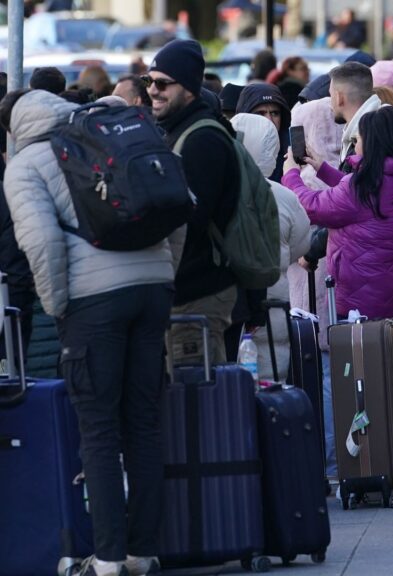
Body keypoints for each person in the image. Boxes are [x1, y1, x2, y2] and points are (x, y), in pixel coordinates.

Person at [2, 87, 184, 576]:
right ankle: (142, 553)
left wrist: (59, 306)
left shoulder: (25, 165)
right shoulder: (110, 134)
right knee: (143, 423)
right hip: (153, 288)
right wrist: (165, 274)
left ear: (14, 128)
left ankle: (106, 560)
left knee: (99, 431)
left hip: (92, 302)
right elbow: (177, 204)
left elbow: (39, 241)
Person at [282, 105, 393, 320]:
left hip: (359, 303)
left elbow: (311, 206)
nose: (355, 144)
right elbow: (364, 200)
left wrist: (291, 173)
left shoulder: (359, 187)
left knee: (359, 353)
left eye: (358, 140)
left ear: (372, 144)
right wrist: (322, 168)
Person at [148, 39, 240, 365]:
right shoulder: (175, 130)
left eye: (162, 83)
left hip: (199, 292)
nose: (153, 90)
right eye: (149, 81)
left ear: (188, 88)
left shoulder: (202, 139)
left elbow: (191, 221)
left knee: (199, 401)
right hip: (183, 289)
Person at [286, 95, 343, 480]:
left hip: (310, 292)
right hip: (340, 289)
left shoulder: (301, 180)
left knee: (320, 378)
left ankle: (328, 460)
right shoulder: (344, 171)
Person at [230, 113, 311, 380]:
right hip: (274, 311)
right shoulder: (284, 197)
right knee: (271, 395)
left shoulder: (223, 189)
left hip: (233, 313)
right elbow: (302, 244)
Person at [235, 82, 291, 181]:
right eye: (260, 113)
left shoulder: (292, 152)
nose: (269, 120)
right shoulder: (231, 151)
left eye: (275, 113)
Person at [330, 62, 382, 162]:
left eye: (331, 96)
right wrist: (322, 168)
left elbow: (361, 178)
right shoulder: (384, 126)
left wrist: (292, 172)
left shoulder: (366, 137)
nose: (330, 105)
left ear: (338, 97)